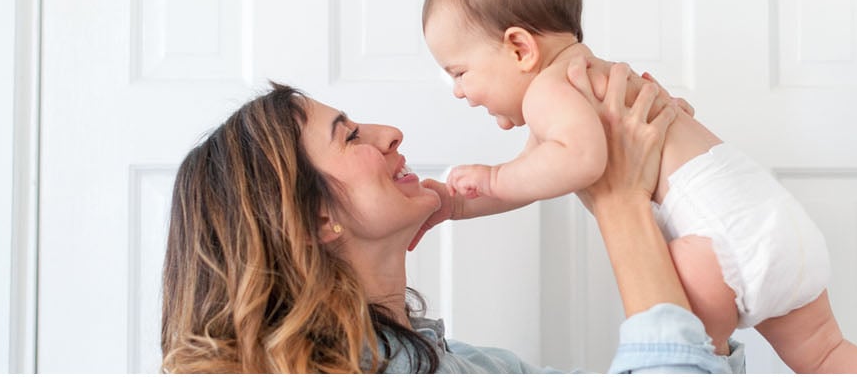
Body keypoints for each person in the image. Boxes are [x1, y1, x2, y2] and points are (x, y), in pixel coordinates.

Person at [419, 0, 857, 372]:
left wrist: (495, 178)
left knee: (693, 356)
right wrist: (459, 204)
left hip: (719, 247)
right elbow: (538, 173)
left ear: (519, 48)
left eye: (459, 73)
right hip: (774, 223)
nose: (460, 92)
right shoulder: (587, 79)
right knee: (825, 355)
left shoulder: (550, 93)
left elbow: (582, 160)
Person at [158, 57, 737, 373]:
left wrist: (665, 187)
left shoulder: (488, 367)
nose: (390, 134)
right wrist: (618, 199)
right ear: (315, 219)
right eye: (351, 135)